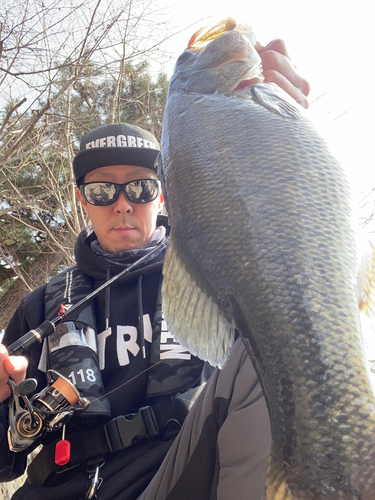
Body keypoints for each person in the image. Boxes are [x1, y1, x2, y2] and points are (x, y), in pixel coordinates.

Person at [0, 40, 310, 500]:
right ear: (84, 200)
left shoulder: (214, 275)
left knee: (275, 350)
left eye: (141, 187)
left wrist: (279, 126)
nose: (122, 204)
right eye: (103, 190)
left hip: (183, 480)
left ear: (162, 195)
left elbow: (285, 260)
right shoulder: (40, 306)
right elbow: (5, 464)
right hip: (58, 490)